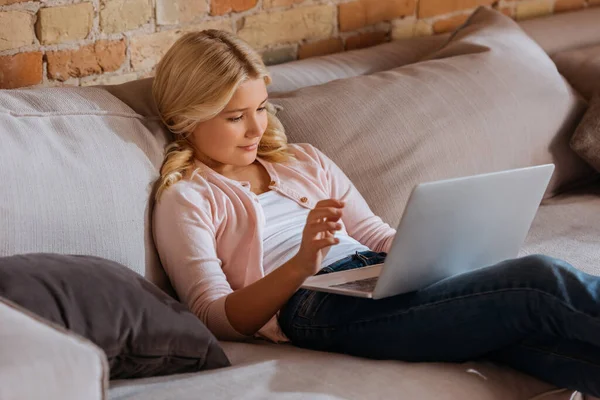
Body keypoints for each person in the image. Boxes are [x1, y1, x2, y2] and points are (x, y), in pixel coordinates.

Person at [151, 29, 600, 397]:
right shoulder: (187, 198)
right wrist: (300, 265)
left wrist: (442, 252)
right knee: (540, 280)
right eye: (235, 117)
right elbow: (215, 317)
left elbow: (377, 235)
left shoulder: (305, 161)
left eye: (262, 109)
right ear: (186, 118)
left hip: (377, 278)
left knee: (540, 342)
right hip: (313, 304)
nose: (256, 129)